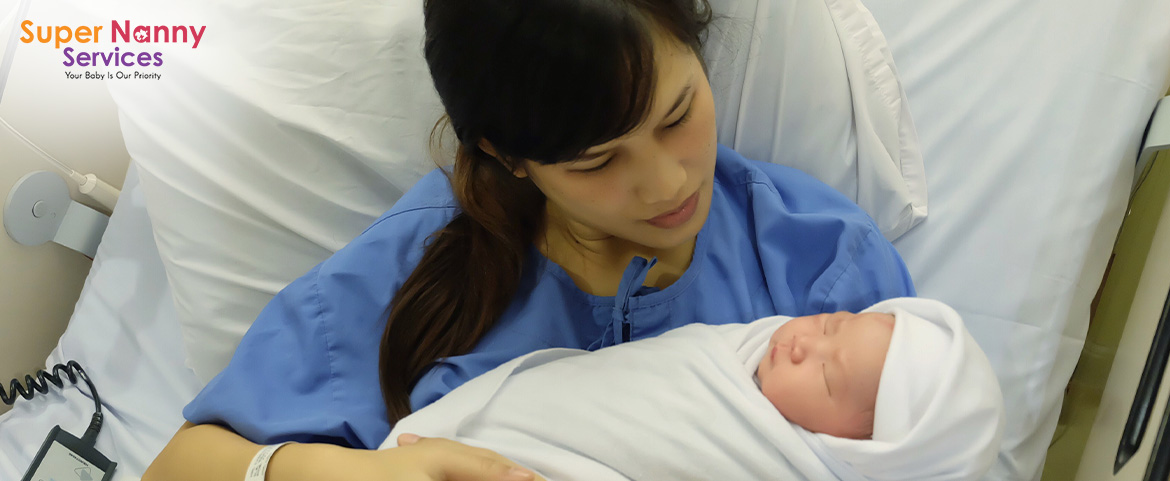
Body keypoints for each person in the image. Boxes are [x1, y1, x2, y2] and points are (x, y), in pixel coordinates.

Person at [142, 0, 916, 480]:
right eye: (597, 162)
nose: (666, 185)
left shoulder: (823, 270)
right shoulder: (411, 269)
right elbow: (178, 468)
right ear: (510, 157)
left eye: (678, 114)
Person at [382, 298, 1004, 481]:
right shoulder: (736, 350)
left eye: (826, 377)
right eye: (829, 325)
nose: (802, 344)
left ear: (858, 452)